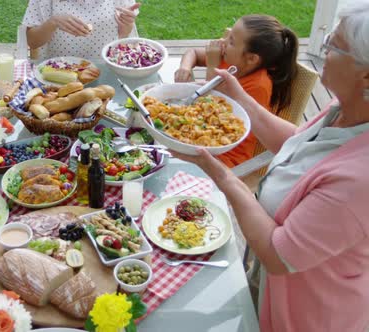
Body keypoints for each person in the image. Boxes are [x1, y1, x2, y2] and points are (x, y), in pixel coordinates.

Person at [173, 2, 369, 331]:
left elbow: (279, 256)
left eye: (333, 46)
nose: (321, 50)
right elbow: (297, 143)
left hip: (306, 313)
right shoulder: (344, 111)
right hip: (264, 284)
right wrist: (238, 96)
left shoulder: (360, 180)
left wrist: (223, 177)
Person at [175, 15, 299, 167]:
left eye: (231, 41)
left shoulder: (258, 86)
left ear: (252, 58)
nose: (223, 42)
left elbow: (207, 113)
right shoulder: (231, 59)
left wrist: (212, 67)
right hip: (199, 140)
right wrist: (185, 68)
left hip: (225, 157)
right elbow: (192, 52)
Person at [23, 0, 140, 59]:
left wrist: (127, 22)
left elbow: (124, 33)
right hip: (58, 73)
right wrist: (52, 22)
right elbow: (32, 42)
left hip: (106, 68)